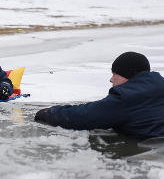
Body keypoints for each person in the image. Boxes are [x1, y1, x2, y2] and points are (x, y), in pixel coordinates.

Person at [35, 52, 164, 138]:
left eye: (115, 74)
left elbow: (83, 116)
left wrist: (48, 113)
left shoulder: (126, 97)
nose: (111, 79)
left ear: (127, 75)